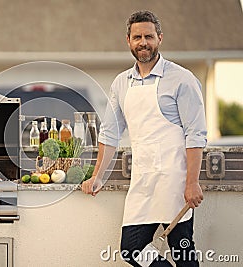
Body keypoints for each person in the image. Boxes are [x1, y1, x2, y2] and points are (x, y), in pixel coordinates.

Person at [81, 10, 206, 267]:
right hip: (143, 182)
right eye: (137, 37)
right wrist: (97, 176)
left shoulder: (182, 79)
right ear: (128, 40)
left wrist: (192, 182)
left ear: (159, 38)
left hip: (175, 182)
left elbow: (195, 134)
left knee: (182, 252)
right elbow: (110, 134)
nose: (143, 42)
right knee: (131, 249)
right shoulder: (121, 83)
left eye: (149, 36)